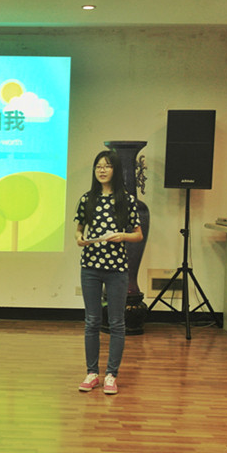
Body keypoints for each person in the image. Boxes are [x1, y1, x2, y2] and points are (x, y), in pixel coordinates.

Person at [74, 150, 143, 395]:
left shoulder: (127, 200)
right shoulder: (87, 198)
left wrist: (122, 235)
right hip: (90, 267)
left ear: (115, 170)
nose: (102, 170)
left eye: (107, 166)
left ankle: (111, 375)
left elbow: (138, 235)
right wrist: (79, 238)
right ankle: (92, 373)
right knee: (92, 321)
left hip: (117, 269)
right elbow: (79, 229)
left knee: (116, 323)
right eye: (98, 166)